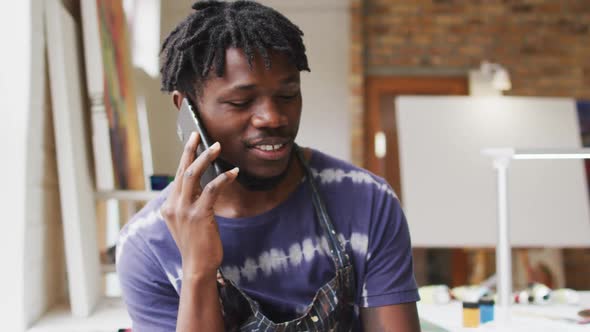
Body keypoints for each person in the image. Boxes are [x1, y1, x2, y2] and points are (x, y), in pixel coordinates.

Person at [116, 1, 421, 331]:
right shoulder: (148, 245)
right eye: (241, 102)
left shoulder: (367, 202)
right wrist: (197, 270)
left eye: (288, 95)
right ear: (186, 109)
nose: (273, 118)